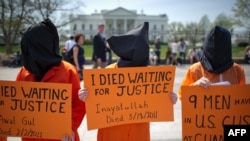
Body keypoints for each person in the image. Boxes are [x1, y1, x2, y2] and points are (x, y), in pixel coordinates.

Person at [94, 22, 177, 141]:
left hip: (138, 131)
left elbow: (156, 100)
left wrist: (169, 99)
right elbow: (96, 103)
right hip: (112, 132)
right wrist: (87, 96)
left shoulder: (150, 75)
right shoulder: (108, 72)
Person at [16, 19, 86, 141]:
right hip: (31, 136)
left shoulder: (68, 71)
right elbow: (15, 104)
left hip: (60, 136)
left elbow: (79, 103)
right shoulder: (24, 72)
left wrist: (70, 126)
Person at [178, 26, 246, 100]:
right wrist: (194, 87)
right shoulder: (194, 70)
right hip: (201, 111)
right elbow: (182, 96)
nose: (216, 52)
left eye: (221, 48)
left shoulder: (238, 70)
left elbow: (242, 99)